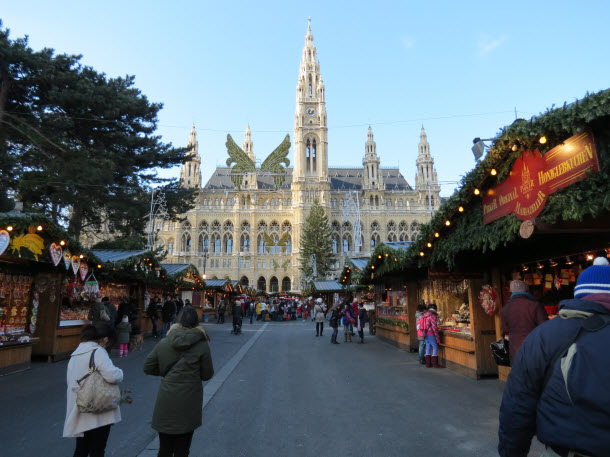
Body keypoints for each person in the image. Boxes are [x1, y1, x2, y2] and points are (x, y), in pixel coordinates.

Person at [498, 259, 610, 457]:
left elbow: (518, 406)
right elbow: (541, 321)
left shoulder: (543, 334)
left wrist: (511, 452)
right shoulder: (534, 308)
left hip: (521, 348)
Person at [144, 306, 214, 457]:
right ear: (196, 322)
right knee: (183, 448)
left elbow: (148, 367)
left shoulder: (164, 342)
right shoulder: (202, 345)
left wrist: (165, 373)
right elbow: (207, 374)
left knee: (164, 448)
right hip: (189, 400)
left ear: (177, 320)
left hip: (167, 399)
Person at [64, 323, 123, 456]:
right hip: (97, 406)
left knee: (82, 449)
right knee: (98, 449)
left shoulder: (77, 352)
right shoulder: (98, 352)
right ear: (106, 339)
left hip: (80, 404)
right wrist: (120, 372)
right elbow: (113, 375)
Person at [502, 279, 548, 364]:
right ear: (526, 290)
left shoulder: (506, 308)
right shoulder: (535, 305)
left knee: (518, 375)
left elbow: (505, 329)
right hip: (534, 349)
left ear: (512, 291)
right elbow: (545, 327)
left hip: (515, 350)